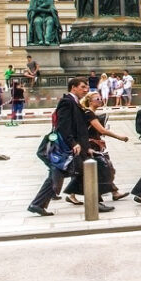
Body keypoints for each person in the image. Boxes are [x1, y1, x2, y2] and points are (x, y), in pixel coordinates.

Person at [28, 77, 91, 216]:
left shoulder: (74, 102)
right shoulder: (67, 102)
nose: (86, 90)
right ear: (73, 87)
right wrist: (73, 143)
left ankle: (37, 204)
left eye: (87, 87)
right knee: (83, 171)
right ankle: (95, 202)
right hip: (69, 146)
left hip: (76, 145)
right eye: (82, 87)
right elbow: (63, 125)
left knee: (58, 173)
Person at [63, 92, 130, 210]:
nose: (100, 100)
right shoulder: (89, 113)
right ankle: (97, 199)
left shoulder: (90, 113)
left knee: (101, 169)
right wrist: (120, 137)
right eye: (97, 99)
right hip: (91, 146)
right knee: (101, 169)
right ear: (90, 101)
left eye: (100, 98)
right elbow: (102, 130)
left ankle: (112, 192)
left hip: (95, 144)